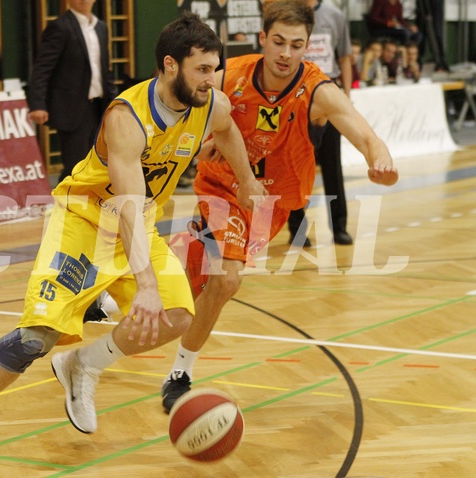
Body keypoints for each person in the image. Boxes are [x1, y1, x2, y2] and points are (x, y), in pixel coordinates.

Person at [0, 11, 266, 470]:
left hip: (138, 221)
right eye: (202, 69)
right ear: (171, 65)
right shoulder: (127, 118)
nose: (212, 79)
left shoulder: (212, 104)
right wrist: (144, 284)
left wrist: (247, 182)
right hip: (86, 219)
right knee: (37, 336)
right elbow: (126, 206)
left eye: (215, 68)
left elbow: (227, 133)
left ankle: (85, 364)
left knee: (176, 316)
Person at [160, 0, 399, 413]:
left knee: (197, 276)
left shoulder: (318, 91)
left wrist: (380, 159)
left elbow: (365, 134)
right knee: (225, 281)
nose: (286, 53)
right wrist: (204, 138)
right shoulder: (229, 75)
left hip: (272, 205)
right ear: (262, 40)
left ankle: (113, 300)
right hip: (222, 187)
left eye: (296, 44)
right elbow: (177, 101)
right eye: (278, 42)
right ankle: (180, 373)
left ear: (308, 46)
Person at [287, 0, 354, 247]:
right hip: (297, 98)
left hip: (328, 98)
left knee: (332, 166)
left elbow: (345, 57)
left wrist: (346, 96)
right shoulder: (288, 14)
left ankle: (339, 227)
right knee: (295, 168)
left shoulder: (334, 15)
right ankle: (296, 229)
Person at [26, 0, 118, 182]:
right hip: (72, 108)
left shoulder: (101, 28)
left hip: (99, 106)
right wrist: (37, 104)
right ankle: (65, 205)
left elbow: (104, 69)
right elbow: (42, 69)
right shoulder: (60, 28)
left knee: (98, 164)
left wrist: (115, 102)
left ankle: (84, 206)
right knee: (76, 166)